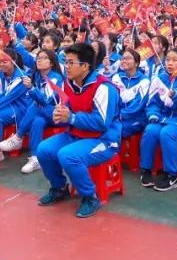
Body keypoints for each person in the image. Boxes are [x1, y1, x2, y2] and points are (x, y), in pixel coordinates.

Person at [35, 42, 121, 218]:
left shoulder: (104, 88)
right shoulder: (69, 84)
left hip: (104, 140)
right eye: (65, 62)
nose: (66, 67)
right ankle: (59, 188)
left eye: (70, 63)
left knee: (67, 155)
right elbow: (67, 109)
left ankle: (90, 197)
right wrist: (59, 113)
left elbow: (101, 123)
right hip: (76, 134)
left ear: (85, 66)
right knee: (43, 150)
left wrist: (72, 118)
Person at [139, 47, 177, 191]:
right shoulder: (159, 79)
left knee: (167, 133)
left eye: (175, 60)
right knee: (150, 130)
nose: (170, 63)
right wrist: (153, 115)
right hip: (164, 119)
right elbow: (152, 103)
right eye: (168, 59)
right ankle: (146, 170)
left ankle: (172, 175)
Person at [0, 49, 67, 174]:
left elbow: (46, 100)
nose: (39, 60)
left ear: (51, 63)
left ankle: (18, 137)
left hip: (59, 115)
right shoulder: (37, 76)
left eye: (44, 58)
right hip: (44, 115)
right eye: (38, 57)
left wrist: (31, 88)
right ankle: (36, 158)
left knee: (37, 106)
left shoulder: (55, 78)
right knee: (37, 121)